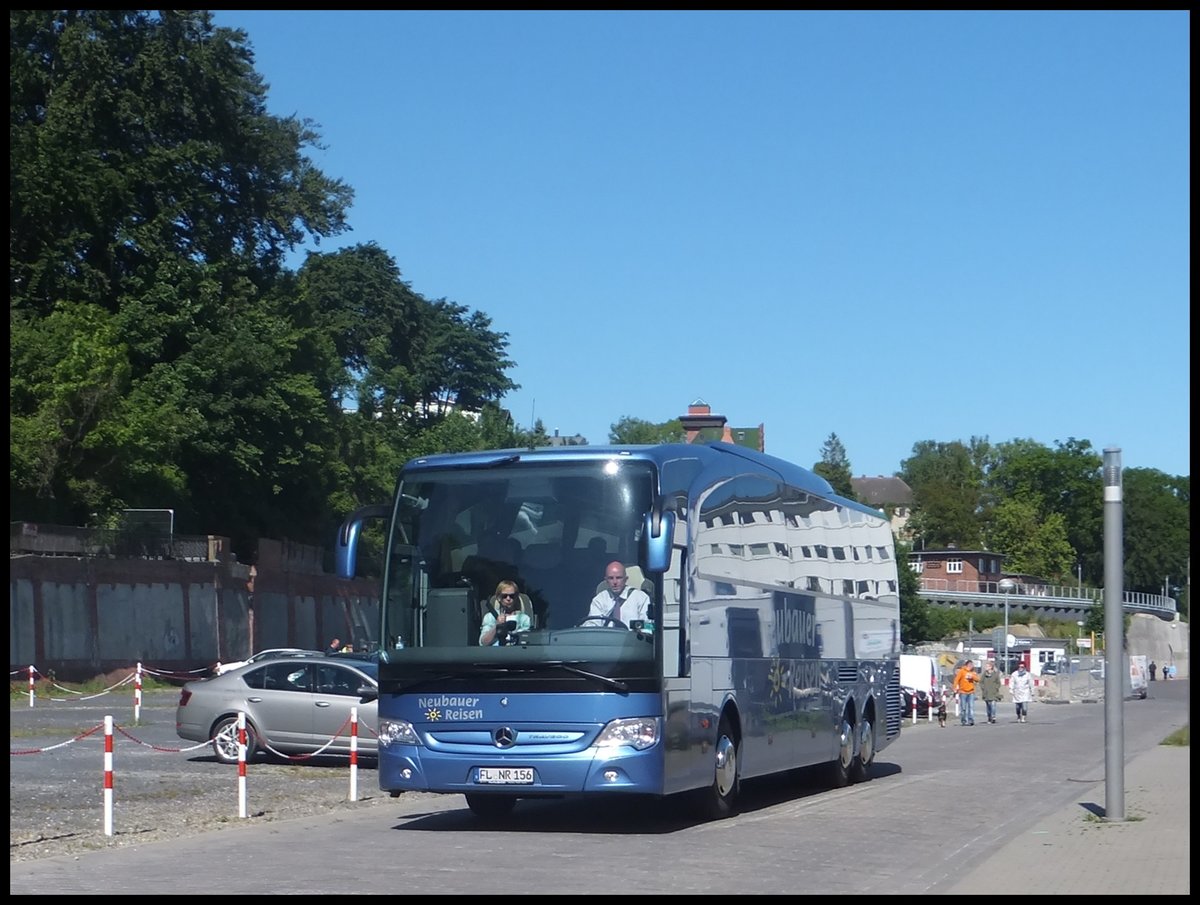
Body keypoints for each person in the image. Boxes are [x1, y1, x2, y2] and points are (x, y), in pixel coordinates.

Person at [587, 561, 651, 628]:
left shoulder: (641, 598)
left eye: (618, 578)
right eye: (611, 578)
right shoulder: (599, 600)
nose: (615, 582)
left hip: (632, 637)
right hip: (605, 637)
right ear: (606, 580)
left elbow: (648, 626)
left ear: (626, 579)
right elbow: (592, 626)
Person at [479, 580, 531, 646]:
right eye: (504, 596)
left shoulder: (524, 619)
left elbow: (526, 641)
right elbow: (483, 643)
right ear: (498, 597)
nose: (508, 598)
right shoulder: (490, 617)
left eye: (512, 596)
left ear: (516, 597)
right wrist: (497, 626)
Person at [952, 659, 979, 726]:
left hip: (971, 692)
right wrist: (955, 688)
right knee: (963, 707)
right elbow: (956, 680)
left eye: (972, 665)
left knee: (971, 707)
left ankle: (971, 720)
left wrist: (972, 677)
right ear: (967, 665)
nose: (972, 666)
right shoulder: (962, 671)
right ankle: (964, 720)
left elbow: (978, 679)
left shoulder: (973, 672)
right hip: (963, 691)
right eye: (971, 665)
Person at [979, 659, 1002, 724]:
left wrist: (996, 688)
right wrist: (983, 688)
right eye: (986, 666)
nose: (986, 667)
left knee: (993, 705)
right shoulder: (984, 674)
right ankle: (989, 717)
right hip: (986, 693)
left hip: (994, 693)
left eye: (988, 666)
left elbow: (998, 683)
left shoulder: (995, 674)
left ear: (991, 667)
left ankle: (993, 717)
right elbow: (981, 682)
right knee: (988, 706)